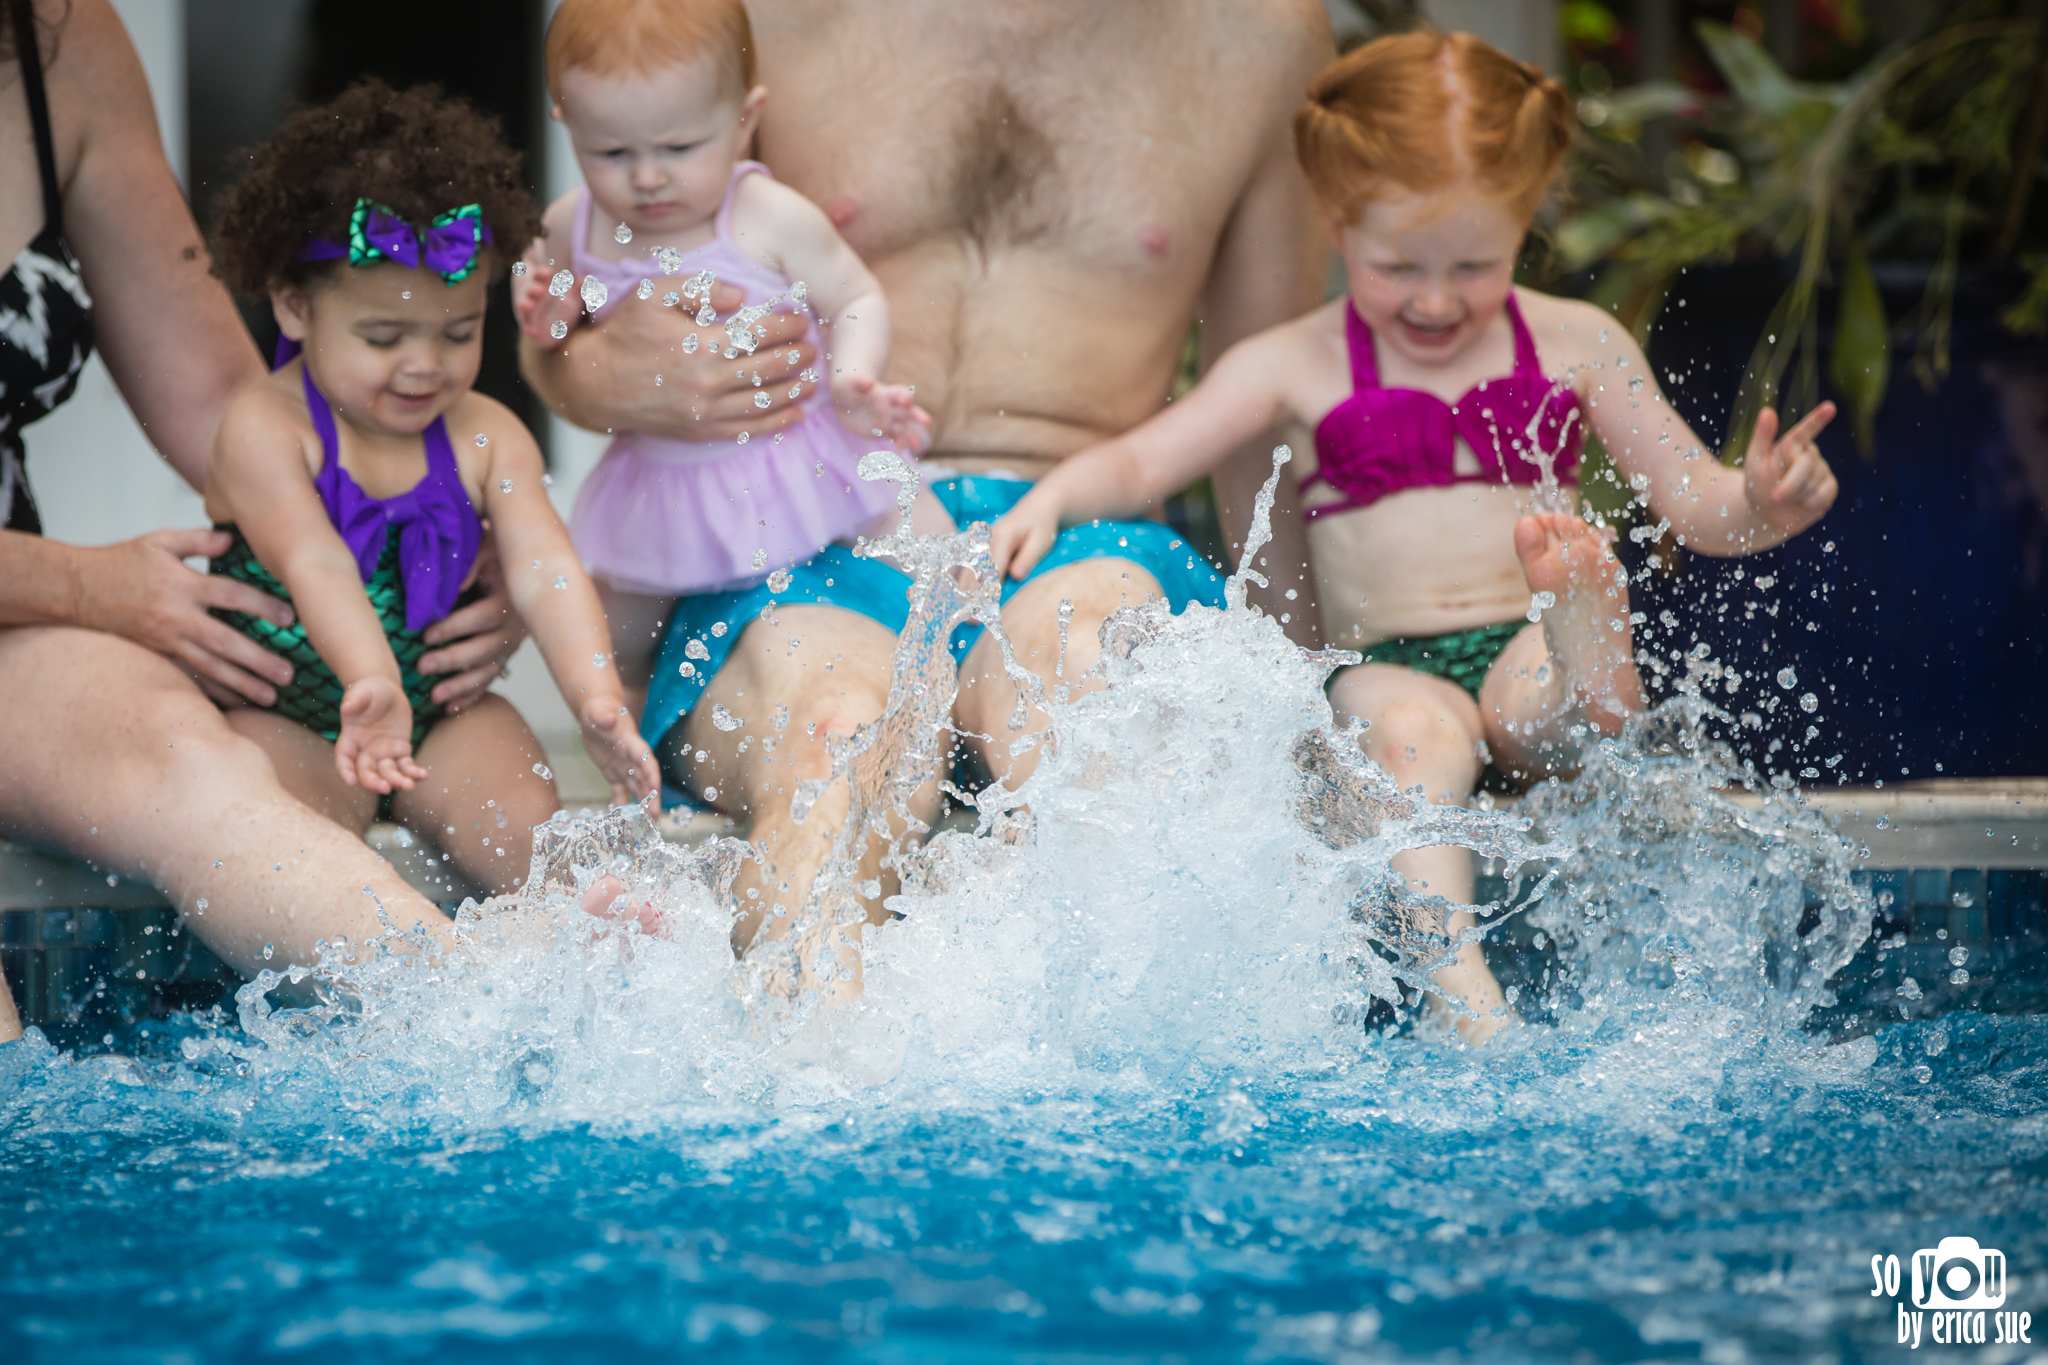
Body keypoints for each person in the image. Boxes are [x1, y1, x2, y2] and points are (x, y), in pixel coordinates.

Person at [988, 30, 1841, 1041]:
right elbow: (1142, 460)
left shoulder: (1576, 343)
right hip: (1388, 660)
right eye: (1397, 267)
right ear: (1335, 226)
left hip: (1517, 641)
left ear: (1526, 221)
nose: (1435, 300)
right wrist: (1050, 498)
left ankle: (1584, 635)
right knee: (1405, 742)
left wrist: (1759, 503)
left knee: (1540, 701)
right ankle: (1460, 988)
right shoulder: (1292, 363)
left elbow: (1694, 499)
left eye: (1473, 265)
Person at [521, 0, 1336, 967]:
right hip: (806, 535)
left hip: (1077, 526)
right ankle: (805, 1091)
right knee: (834, 739)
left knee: (1095, 697)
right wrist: (607, 375)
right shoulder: (759, 17)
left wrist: (1306, 697)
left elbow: (1264, 411)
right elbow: (583, 332)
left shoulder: (1260, 35)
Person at [0, 0, 524, 1043]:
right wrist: (78, 584)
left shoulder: (57, 36)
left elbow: (237, 421)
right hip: (33, 584)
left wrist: (455, 538)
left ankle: (491, 1030)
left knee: (197, 766)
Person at [202, 80, 659, 894]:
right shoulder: (268, 427)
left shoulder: (484, 432)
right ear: (293, 307)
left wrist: (595, 697)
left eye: (458, 331)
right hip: (287, 712)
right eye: (383, 336)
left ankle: (592, 936)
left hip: (442, 714)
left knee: (529, 820)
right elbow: (314, 559)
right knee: (286, 844)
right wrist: (373, 685)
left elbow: (544, 565)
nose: (426, 364)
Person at [517, 0, 942, 714]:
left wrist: (852, 377)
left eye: (679, 148)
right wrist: (547, 315)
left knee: (930, 551)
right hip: (665, 479)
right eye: (613, 153)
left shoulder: (767, 215)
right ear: (568, 124)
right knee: (611, 638)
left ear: (745, 120)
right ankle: (630, 742)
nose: (647, 177)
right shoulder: (572, 225)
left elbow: (856, 297)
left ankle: (964, 659)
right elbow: (560, 318)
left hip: (799, 454)